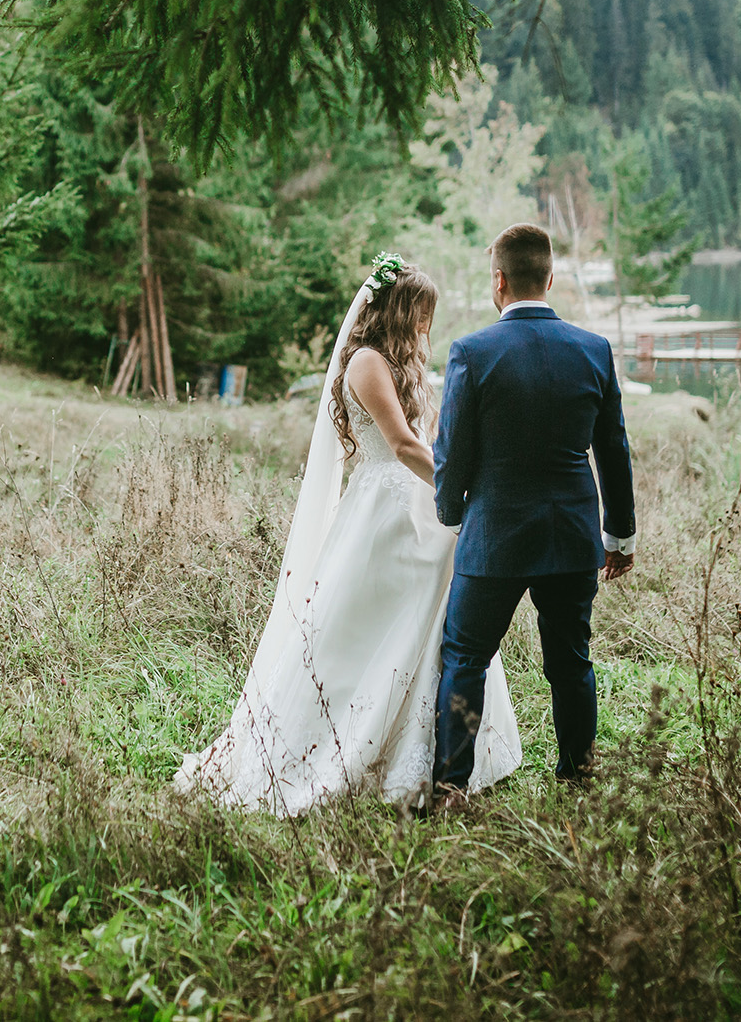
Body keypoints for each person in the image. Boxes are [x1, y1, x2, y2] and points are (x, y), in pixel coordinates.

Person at [173, 254, 522, 814]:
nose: (425, 326)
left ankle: (440, 752)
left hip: (420, 506)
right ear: (398, 309)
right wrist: (464, 490)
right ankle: (346, 748)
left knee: (434, 622)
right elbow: (403, 446)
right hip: (385, 512)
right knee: (367, 630)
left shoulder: (404, 363)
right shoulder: (365, 362)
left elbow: (429, 438)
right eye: (420, 313)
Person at [430, 222, 636, 807]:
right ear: (549, 278)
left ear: (499, 281)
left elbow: (453, 450)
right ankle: (577, 776)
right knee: (571, 661)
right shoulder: (593, 349)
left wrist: (450, 515)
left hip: (493, 535)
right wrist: (619, 535)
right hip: (572, 535)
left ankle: (451, 788)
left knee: (466, 658)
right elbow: (613, 448)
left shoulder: (472, 352)